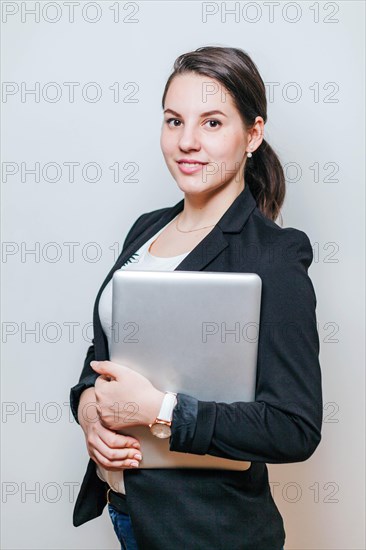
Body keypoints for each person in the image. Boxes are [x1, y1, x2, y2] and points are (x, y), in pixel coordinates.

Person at [70, 46, 323, 550]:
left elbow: (295, 426)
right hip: (128, 515)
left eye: (211, 123)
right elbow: (103, 360)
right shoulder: (146, 230)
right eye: (173, 120)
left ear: (253, 134)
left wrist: (160, 410)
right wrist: (88, 410)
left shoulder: (274, 256)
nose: (186, 142)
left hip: (209, 531)